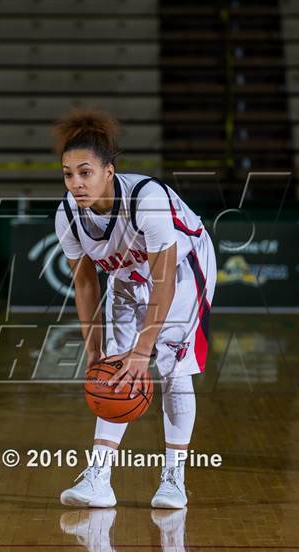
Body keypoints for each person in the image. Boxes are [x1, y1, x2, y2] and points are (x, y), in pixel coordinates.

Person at [54, 109, 216, 509]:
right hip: (129, 275)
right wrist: (94, 351)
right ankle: (99, 480)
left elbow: (163, 277)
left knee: (172, 368)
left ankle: (174, 479)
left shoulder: (148, 199)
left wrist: (144, 350)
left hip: (183, 268)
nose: (76, 183)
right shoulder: (68, 216)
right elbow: (86, 282)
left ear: (109, 171)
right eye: (68, 173)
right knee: (114, 370)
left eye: (85, 172)